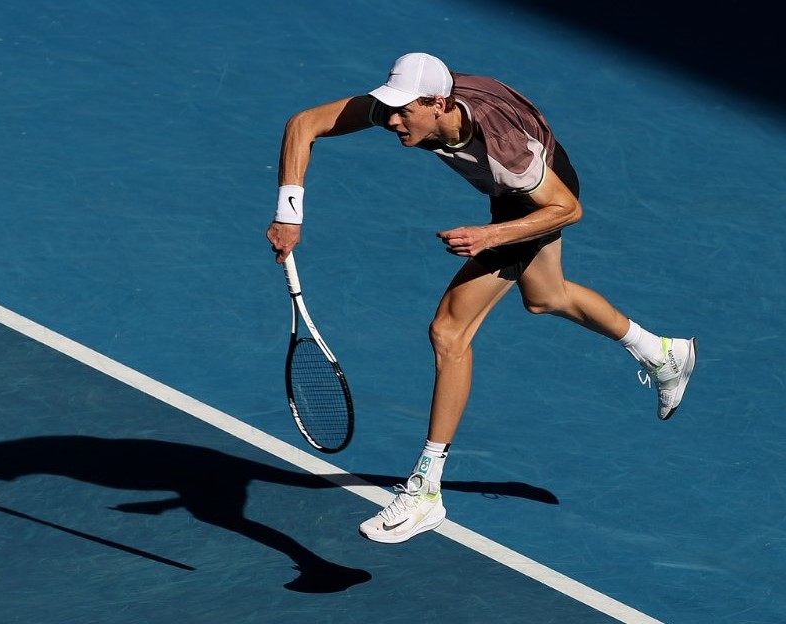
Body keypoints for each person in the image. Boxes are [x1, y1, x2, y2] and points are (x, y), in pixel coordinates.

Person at [266, 52, 697, 544]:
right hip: (516, 185)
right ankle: (662, 353)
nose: (391, 119)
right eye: (390, 107)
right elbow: (304, 124)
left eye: (404, 111)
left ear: (439, 103)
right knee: (545, 296)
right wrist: (289, 214)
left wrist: (492, 236)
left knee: (449, 330)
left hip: (538, 196)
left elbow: (567, 209)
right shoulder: (413, 106)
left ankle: (426, 486)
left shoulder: (506, 152)